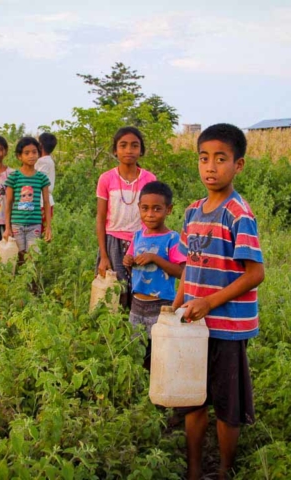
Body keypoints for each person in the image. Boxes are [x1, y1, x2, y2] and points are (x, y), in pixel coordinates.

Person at [173, 124, 265, 480]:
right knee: (193, 400)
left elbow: (255, 273)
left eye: (221, 159)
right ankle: (195, 471)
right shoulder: (192, 212)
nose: (211, 167)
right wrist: (177, 303)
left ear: (238, 165)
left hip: (226, 329)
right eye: (204, 158)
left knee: (227, 408)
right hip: (193, 327)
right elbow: (188, 266)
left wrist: (209, 303)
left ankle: (225, 471)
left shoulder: (237, 213)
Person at [122, 181, 186, 368]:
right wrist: (129, 262)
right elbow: (134, 266)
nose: (150, 214)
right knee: (136, 349)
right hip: (137, 304)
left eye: (157, 209)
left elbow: (182, 272)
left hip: (161, 305)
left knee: (159, 351)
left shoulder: (172, 239)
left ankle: (157, 388)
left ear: (169, 210)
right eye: (145, 208)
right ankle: (140, 388)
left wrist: (155, 258)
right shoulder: (138, 236)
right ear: (139, 208)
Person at [96, 126, 157, 309]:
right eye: (123, 145)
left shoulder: (149, 179)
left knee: (140, 291)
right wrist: (104, 256)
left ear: (141, 150)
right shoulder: (106, 179)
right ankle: (113, 335)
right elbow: (100, 218)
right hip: (113, 242)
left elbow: (155, 216)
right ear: (115, 150)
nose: (129, 150)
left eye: (134, 146)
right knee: (114, 294)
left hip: (141, 243)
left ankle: (137, 333)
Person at [3, 137, 52, 260]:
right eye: (27, 153)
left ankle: (32, 280)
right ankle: (19, 279)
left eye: (34, 152)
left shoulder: (42, 178)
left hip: (35, 224)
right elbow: (8, 203)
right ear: (19, 156)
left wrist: (48, 227)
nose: (31, 156)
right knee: (19, 255)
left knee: (33, 256)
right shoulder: (13, 177)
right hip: (17, 224)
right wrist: (7, 227)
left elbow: (46, 203)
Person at [36, 132, 57, 232]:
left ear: (40, 145)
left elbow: (38, 180)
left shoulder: (43, 162)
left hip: (41, 201)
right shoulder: (48, 160)